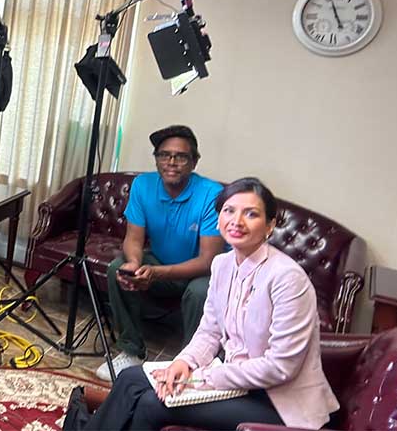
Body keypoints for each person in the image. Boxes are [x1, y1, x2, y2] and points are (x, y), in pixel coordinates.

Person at [83, 178, 339, 430]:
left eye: (251, 214)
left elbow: (280, 367)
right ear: (219, 219)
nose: (237, 221)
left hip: (278, 400)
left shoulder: (287, 278)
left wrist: (204, 377)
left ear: (270, 225)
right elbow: (209, 332)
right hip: (236, 382)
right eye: (229, 211)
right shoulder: (223, 265)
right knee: (130, 379)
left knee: (153, 403)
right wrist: (183, 363)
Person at [98, 125, 225, 381]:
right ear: (156, 158)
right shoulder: (143, 185)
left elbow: (208, 261)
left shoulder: (212, 194)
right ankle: (131, 350)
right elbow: (133, 238)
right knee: (118, 268)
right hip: (161, 263)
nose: (171, 162)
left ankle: (194, 364)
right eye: (164, 155)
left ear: (194, 162)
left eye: (181, 157)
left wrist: (155, 273)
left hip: (202, 273)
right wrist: (135, 264)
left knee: (201, 291)